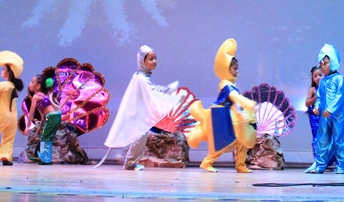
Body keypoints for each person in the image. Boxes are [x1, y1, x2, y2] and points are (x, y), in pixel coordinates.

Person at [100, 45, 180, 170]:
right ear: (143, 61)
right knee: (139, 136)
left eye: (155, 58)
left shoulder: (143, 75)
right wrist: (167, 90)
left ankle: (125, 158)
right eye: (151, 59)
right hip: (135, 113)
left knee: (137, 136)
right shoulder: (141, 78)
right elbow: (151, 91)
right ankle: (129, 162)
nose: (154, 61)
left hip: (137, 112)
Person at [188, 38, 257, 173]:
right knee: (222, 143)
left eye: (237, 69)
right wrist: (249, 104)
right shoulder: (225, 84)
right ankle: (206, 162)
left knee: (242, 142)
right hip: (223, 119)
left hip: (233, 118)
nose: (237, 72)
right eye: (234, 68)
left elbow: (235, 102)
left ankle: (241, 165)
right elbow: (234, 97)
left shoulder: (231, 84)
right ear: (227, 68)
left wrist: (242, 113)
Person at [304, 44, 344, 174]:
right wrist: (317, 107)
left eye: (326, 63)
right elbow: (319, 97)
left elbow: (340, 96)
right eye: (321, 63)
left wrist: (331, 109)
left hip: (337, 116)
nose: (323, 66)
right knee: (322, 140)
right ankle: (320, 165)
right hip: (324, 116)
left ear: (333, 62)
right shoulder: (323, 82)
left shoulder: (340, 79)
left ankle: (340, 166)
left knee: (339, 141)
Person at [0, 50, 24, 165]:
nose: (2, 70)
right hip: (13, 116)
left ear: (9, 72)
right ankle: (6, 157)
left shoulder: (2, 85)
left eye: (4, 68)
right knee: (8, 139)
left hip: (2, 114)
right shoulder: (14, 87)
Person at [23, 73, 61, 165]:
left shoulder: (36, 97)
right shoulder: (43, 96)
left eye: (32, 82)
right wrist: (39, 129)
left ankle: (46, 159)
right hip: (55, 116)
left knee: (45, 138)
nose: (30, 84)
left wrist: (27, 126)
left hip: (52, 117)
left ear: (38, 86)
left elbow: (31, 113)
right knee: (44, 137)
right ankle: (40, 156)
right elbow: (44, 116)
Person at [305, 66, 323, 163]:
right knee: (317, 137)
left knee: (328, 137)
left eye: (320, 75)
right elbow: (307, 103)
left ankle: (327, 160)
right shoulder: (313, 89)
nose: (318, 78)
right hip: (315, 117)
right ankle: (318, 160)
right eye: (315, 76)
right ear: (312, 78)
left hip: (325, 116)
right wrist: (316, 97)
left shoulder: (328, 88)